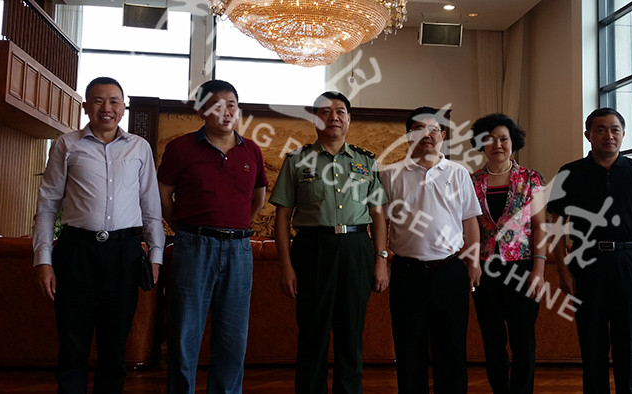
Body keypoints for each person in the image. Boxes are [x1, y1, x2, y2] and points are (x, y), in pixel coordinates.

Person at [33, 76, 165, 394]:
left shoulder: (139, 148)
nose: (106, 107)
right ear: (85, 106)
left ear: (123, 108)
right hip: (75, 250)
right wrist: (43, 260)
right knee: (72, 340)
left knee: (115, 342)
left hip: (124, 252)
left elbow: (150, 206)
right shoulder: (67, 145)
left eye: (114, 101)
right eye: (98, 100)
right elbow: (47, 205)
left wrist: (156, 254)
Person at [269, 91, 389, 394]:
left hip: (356, 249)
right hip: (312, 249)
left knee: (351, 335)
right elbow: (282, 217)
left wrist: (381, 259)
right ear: (315, 118)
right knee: (313, 334)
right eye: (325, 111)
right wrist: (286, 266)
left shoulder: (366, 162)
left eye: (340, 111)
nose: (333, 117)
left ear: (349, 118)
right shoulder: (297, 161)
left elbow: (378, 214)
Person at [547, 108, 632, 394]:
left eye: (615, 129)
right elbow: (555, 224)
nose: (608, 135)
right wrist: (563, 270)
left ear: (623, 134)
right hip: (586, 263)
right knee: (592, 343)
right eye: (600, 129)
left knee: (628, 343)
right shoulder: (570, 172)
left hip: (629, 263)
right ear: (588, 135)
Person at [158, 80, 267, 394]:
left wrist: (237, 226)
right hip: (194, 246)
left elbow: (258, 198)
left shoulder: (252, 151)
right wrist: (184, 227)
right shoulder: (180, 148)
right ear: (202, 111)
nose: (226, 112)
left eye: (231, 104)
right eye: (217, 105)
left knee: (233, 337)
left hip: (239, 249)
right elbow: (163, 196)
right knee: (184, 333)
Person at [379, 106, 482, 394]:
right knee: (409, 348)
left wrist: (473, 262)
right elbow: (380, 222)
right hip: (406, 273)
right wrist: (382, 261)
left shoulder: (458, 173)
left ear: (443, 135)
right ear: (408, 135)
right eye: (418, 129)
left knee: (451, 348)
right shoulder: (390, 174)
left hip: (450, 271)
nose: (426, 135)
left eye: (433, 129)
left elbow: (470, 221)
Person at [469, 114, 547, 394]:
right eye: (490, 139)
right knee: (492, 340)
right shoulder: (471, 181)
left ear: (513, 142)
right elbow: (468, 226)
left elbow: (540, 226)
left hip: (522, 268)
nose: (497, 145)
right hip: (485, 270)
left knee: (523, 340)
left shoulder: (531, 179)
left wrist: (539, 269)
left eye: (504, 139)